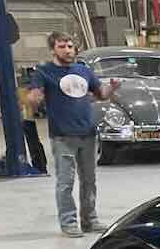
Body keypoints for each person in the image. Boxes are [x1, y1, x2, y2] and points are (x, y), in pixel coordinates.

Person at [24, 31, 116, 236]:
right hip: (63, 135)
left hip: (88, 133)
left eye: (70, 46)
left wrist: (112, 88)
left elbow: (101, 94)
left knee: (89, 181)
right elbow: (32, 97)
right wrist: (33, 98)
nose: (67, 50)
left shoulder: (84, 70)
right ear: (53, 49)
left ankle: (90, 220)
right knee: (66, 182)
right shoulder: (44, 72)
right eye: (61, 46)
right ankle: (68, 222)